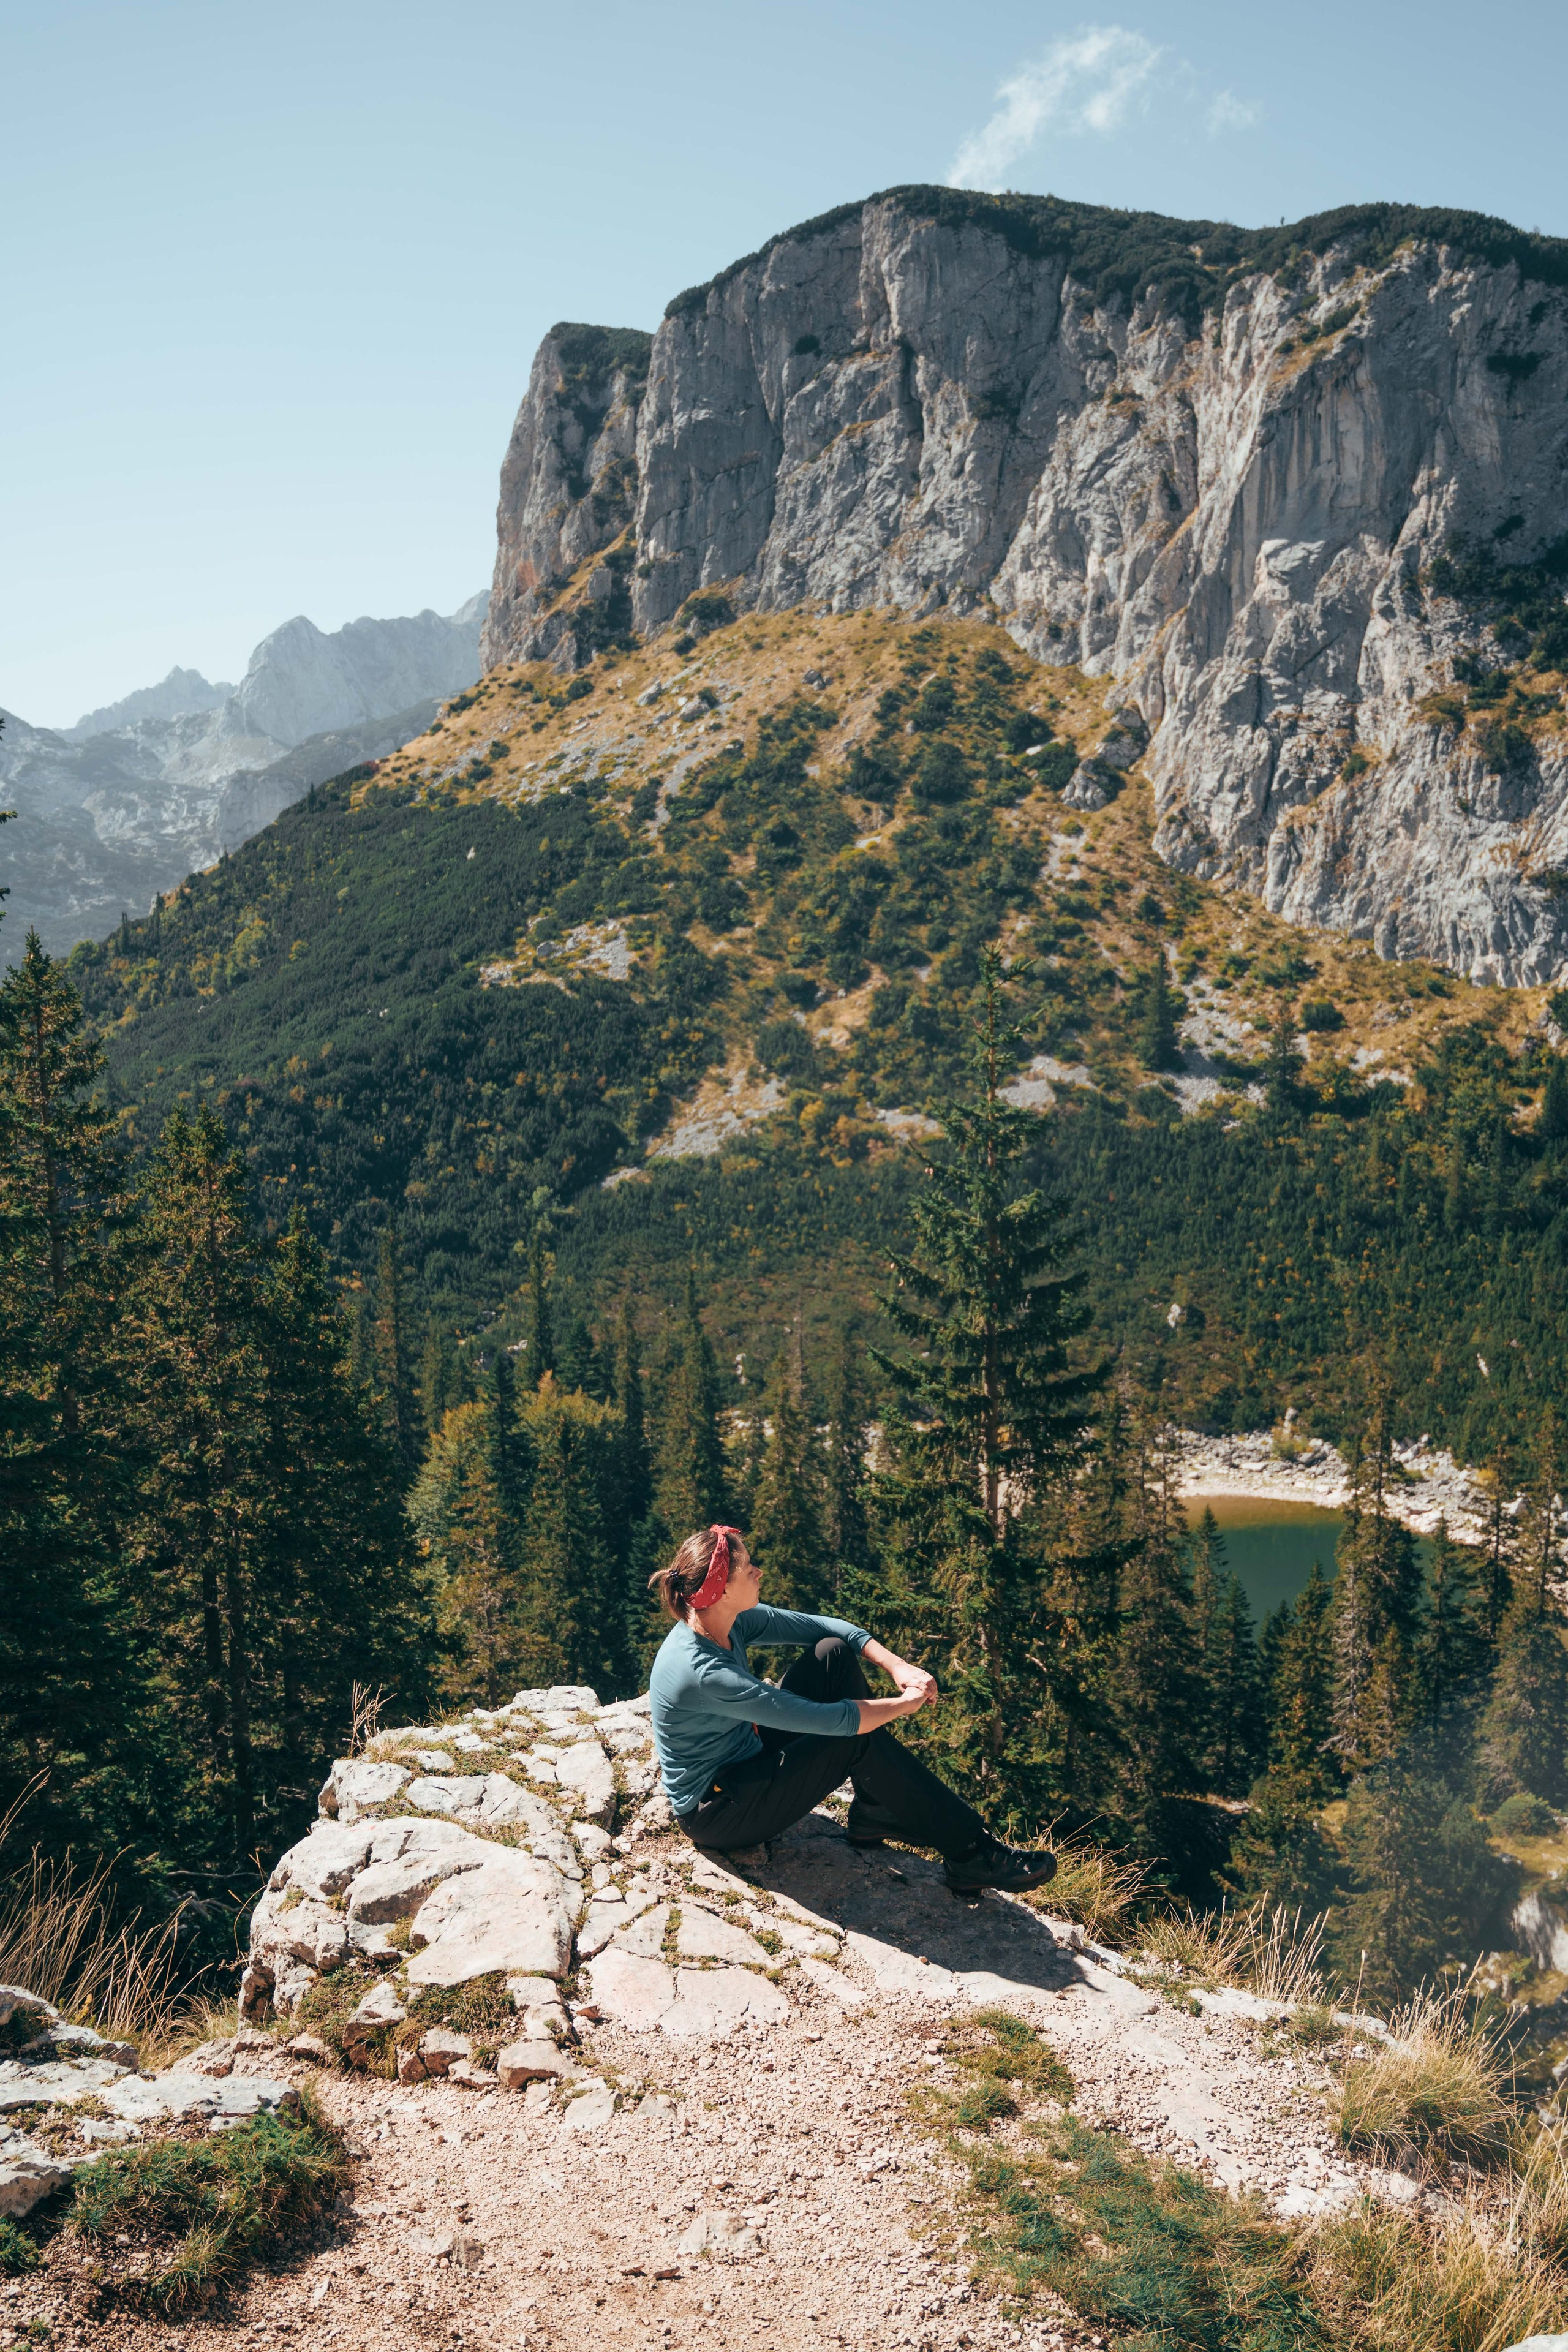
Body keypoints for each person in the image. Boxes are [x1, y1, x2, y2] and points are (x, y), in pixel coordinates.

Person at [646, 1523, 1057, 1896]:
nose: (759, 1572)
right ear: (722, 1590)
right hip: (720, 1811)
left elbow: (829, 1629)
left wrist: (897, 1664)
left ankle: (876, 1809)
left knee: (833, 1655)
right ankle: (972, 1853)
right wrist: (904, 1705)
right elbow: (836, 1722)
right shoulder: (704, 1672)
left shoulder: (726, 1621)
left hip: (746, 1760)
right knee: (851, 1742)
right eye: (749, 1568)